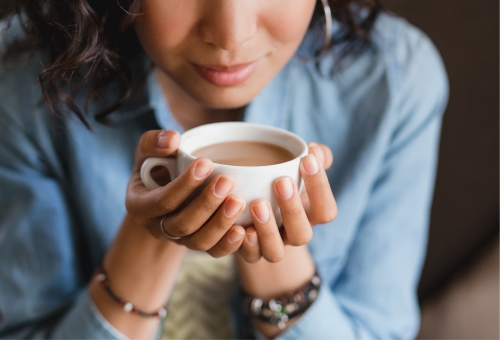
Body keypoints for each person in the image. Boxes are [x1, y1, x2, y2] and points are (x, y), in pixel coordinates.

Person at [0, 0, 448, 339]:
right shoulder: (25, 79)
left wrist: (281, 252)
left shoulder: (394, 81)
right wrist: (148, 233)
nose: (231, 36)